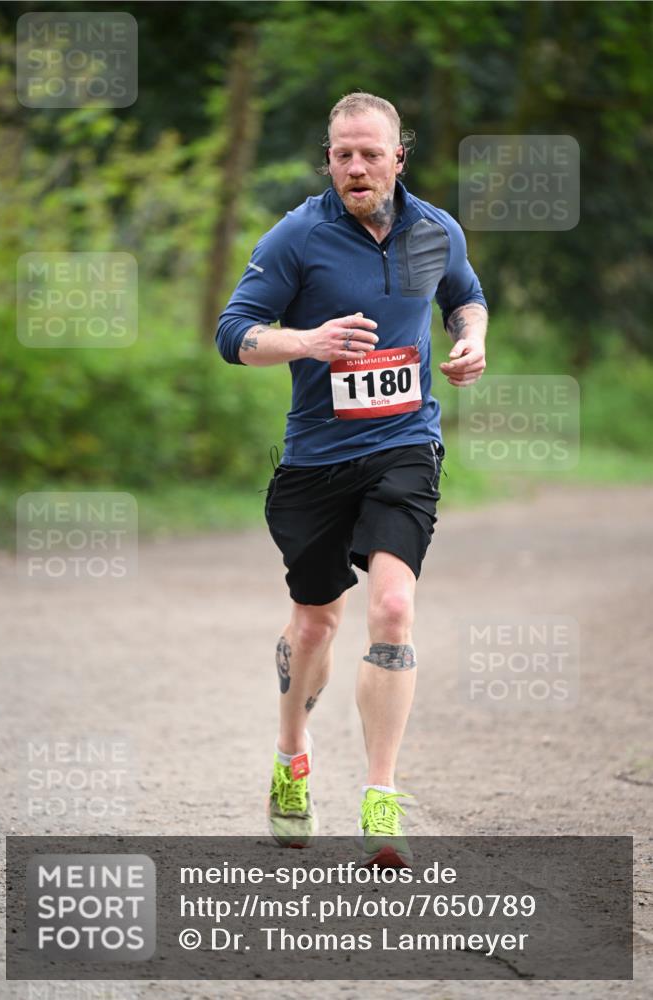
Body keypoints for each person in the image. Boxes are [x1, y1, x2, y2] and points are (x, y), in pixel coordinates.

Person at [216, 92, 487, 866]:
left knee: (393, 607)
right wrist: (307, 340)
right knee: (314, 624)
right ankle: (291, 755)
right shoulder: (298, 237)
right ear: (328, 159)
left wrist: (470, 342)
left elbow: (464, 298)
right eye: (342, 154)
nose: (356, 167)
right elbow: (232, 333)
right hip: (315, 462)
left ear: (400, 155)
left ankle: (379, 798)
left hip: (405, 445)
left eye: (370, 153)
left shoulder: (434, 230)